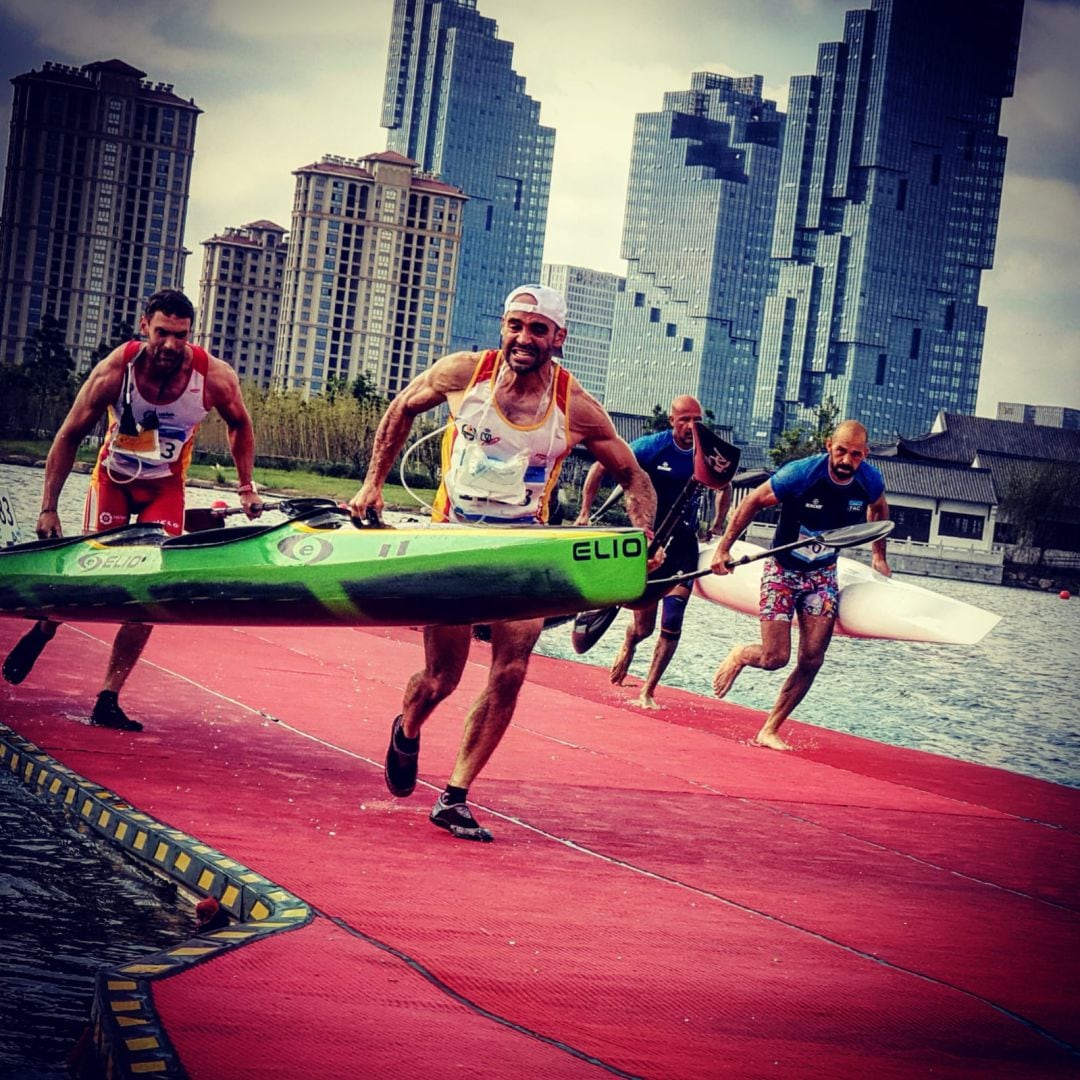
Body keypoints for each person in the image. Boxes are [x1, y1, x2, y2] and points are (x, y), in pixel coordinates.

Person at [347, 283, 660, 842]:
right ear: (503, 327)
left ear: (557, 338)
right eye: (515, 325)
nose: (524, 338)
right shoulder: (462, 374)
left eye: (537, 330)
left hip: (523, 546)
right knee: (443, 677)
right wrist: (372, 484)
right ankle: (409, 725)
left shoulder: (576, 408)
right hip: (453, 539)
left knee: (510, 672)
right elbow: (400, 407)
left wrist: (641, 534)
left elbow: (633, 475)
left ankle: (456, 795)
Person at [1, 289, 261, 730]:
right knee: (92, 579)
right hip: (114, 482)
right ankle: (46, 626)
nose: (170, 346)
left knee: (148, 593)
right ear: (144, 327)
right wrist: (48, 508)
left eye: (180, 336)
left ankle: (108, 697)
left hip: (165, 487)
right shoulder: (114, 372)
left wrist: (245, 487)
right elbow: (67, 436)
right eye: (162, 333)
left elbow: (241, 423)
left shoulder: (213, 376)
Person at [709, 419, 890, 749]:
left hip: (822, 575)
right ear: (827, 446)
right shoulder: (801, 475)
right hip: (783, 570)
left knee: (812, 659)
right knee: (775, 657)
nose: (847, 461)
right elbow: (751, 502)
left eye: (855, 454)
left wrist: (879, 556)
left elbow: (879, 511)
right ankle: (740, 654)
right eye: (840, 451)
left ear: (865, 454)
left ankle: (770, 729)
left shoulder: (870, 481)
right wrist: (723, 549)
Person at [575, 395, 731, 709]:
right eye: (685, 419)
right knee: (644, 627)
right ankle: (630, 643)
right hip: (648, 542)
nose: (691, 426)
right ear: (672, 421)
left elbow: (725, 485)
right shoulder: (650, 447)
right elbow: (601, 466)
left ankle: (648, 689)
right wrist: (584, 511)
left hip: (684, 544)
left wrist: (718, 523)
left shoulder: (707, 453)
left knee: (672, 619)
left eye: (697, 421)